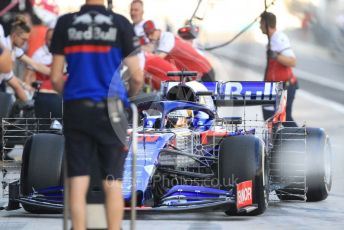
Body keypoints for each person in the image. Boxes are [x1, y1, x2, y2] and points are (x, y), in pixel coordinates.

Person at [50, 1, 143, 229]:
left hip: (77, 108)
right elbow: (138, 77)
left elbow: (54, 77)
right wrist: (125, 96)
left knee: (78, 179)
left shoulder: (65, 23)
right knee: (112, 181)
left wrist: (73, 95)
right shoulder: (121, 23)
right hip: (112, 110)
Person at [143, 20, 215, 81]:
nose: (149, 36)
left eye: (151, 33)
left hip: (204, 71)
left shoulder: (167, 38)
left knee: (208, 97)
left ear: (159, 30)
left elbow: (157, 59)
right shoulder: (157, 43)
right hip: (192, 75)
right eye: (147, 34)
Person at [260, 11, 298, 127]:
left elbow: (292, 61)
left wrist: (276, 56)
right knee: (270, 118)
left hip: (285, 86)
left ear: (266, 24)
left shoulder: (279, 38)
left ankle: (302, 141)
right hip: (273, 88)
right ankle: (276, 143)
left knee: (285, 119)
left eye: (260, 23)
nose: (259, 27)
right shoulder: (272, 39)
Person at [130, 0, 179, 90]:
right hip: (153, 73)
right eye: (131, 10)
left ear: (142, 12)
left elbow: (153, 53)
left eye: (136, 10)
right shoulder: (130, 27)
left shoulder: (166, 37)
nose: (133, 12)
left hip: (174, 73)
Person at [0, 16, 50, 102]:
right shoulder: (4, 46)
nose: (24, 43)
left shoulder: (15, 50)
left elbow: (35, 64)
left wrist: (56, 73)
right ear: (15, 36)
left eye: (26, 40)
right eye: (23, 39)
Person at [24, 28, 63, 127]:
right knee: (43, 127)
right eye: (50, 40)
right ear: (45, 39)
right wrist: (29, 94)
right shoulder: (38, 54)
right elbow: (28, 77)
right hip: (42, 96)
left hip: (60, 97)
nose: (52, 42)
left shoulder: (63, 53)